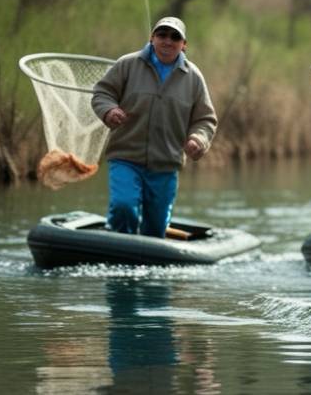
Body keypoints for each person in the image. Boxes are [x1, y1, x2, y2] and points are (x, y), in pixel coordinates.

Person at [91, 16, 217, 238]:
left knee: (155, 227)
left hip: (166, 165)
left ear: (184, 44)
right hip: (125, 157)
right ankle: (120, 253)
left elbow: (205, 119)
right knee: (123, 207)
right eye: (162, 35)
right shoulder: (127, 64)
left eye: (175, 37)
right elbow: (103, 93)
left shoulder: (193, 77)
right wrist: (109, 110)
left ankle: (147, 265)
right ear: (152, 38)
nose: (168, 41)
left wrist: (198, 139)